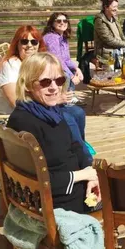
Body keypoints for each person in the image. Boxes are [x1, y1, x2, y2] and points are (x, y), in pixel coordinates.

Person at [7, 53, 99, 213]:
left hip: (78, 186)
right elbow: (35, 180)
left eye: (60, 80)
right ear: (27, 85)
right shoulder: (24, 122)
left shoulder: (49, 111)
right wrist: (83, 176)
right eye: (45, 82)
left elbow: (75, 145)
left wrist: (90, 174)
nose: (54, 87)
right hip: (61, 201)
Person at [0, 26, 92, 161]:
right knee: (68, 120)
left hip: (39, 107)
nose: (29, 45)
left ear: (39, 44)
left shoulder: (34, 63)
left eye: (34, 42)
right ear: (17, 43)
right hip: (12, 116)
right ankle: (83, 158)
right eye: (24, 41)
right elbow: (15, 101)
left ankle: (77, 147)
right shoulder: (10, 66)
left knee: (78, 113)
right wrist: (56, 100)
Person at [42, 12, 84, 91]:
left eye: (65, 21)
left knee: (72, 70)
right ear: (52, 23)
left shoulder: (63, 38)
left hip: (56, 65)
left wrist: (77, 69)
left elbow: (66, 59)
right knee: (66, 75)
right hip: (48, 66)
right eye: (58, 21)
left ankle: (69, 96)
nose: (62, 23)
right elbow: (57, 60)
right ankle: (66, 99)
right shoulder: (51, 38)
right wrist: (72, 76)